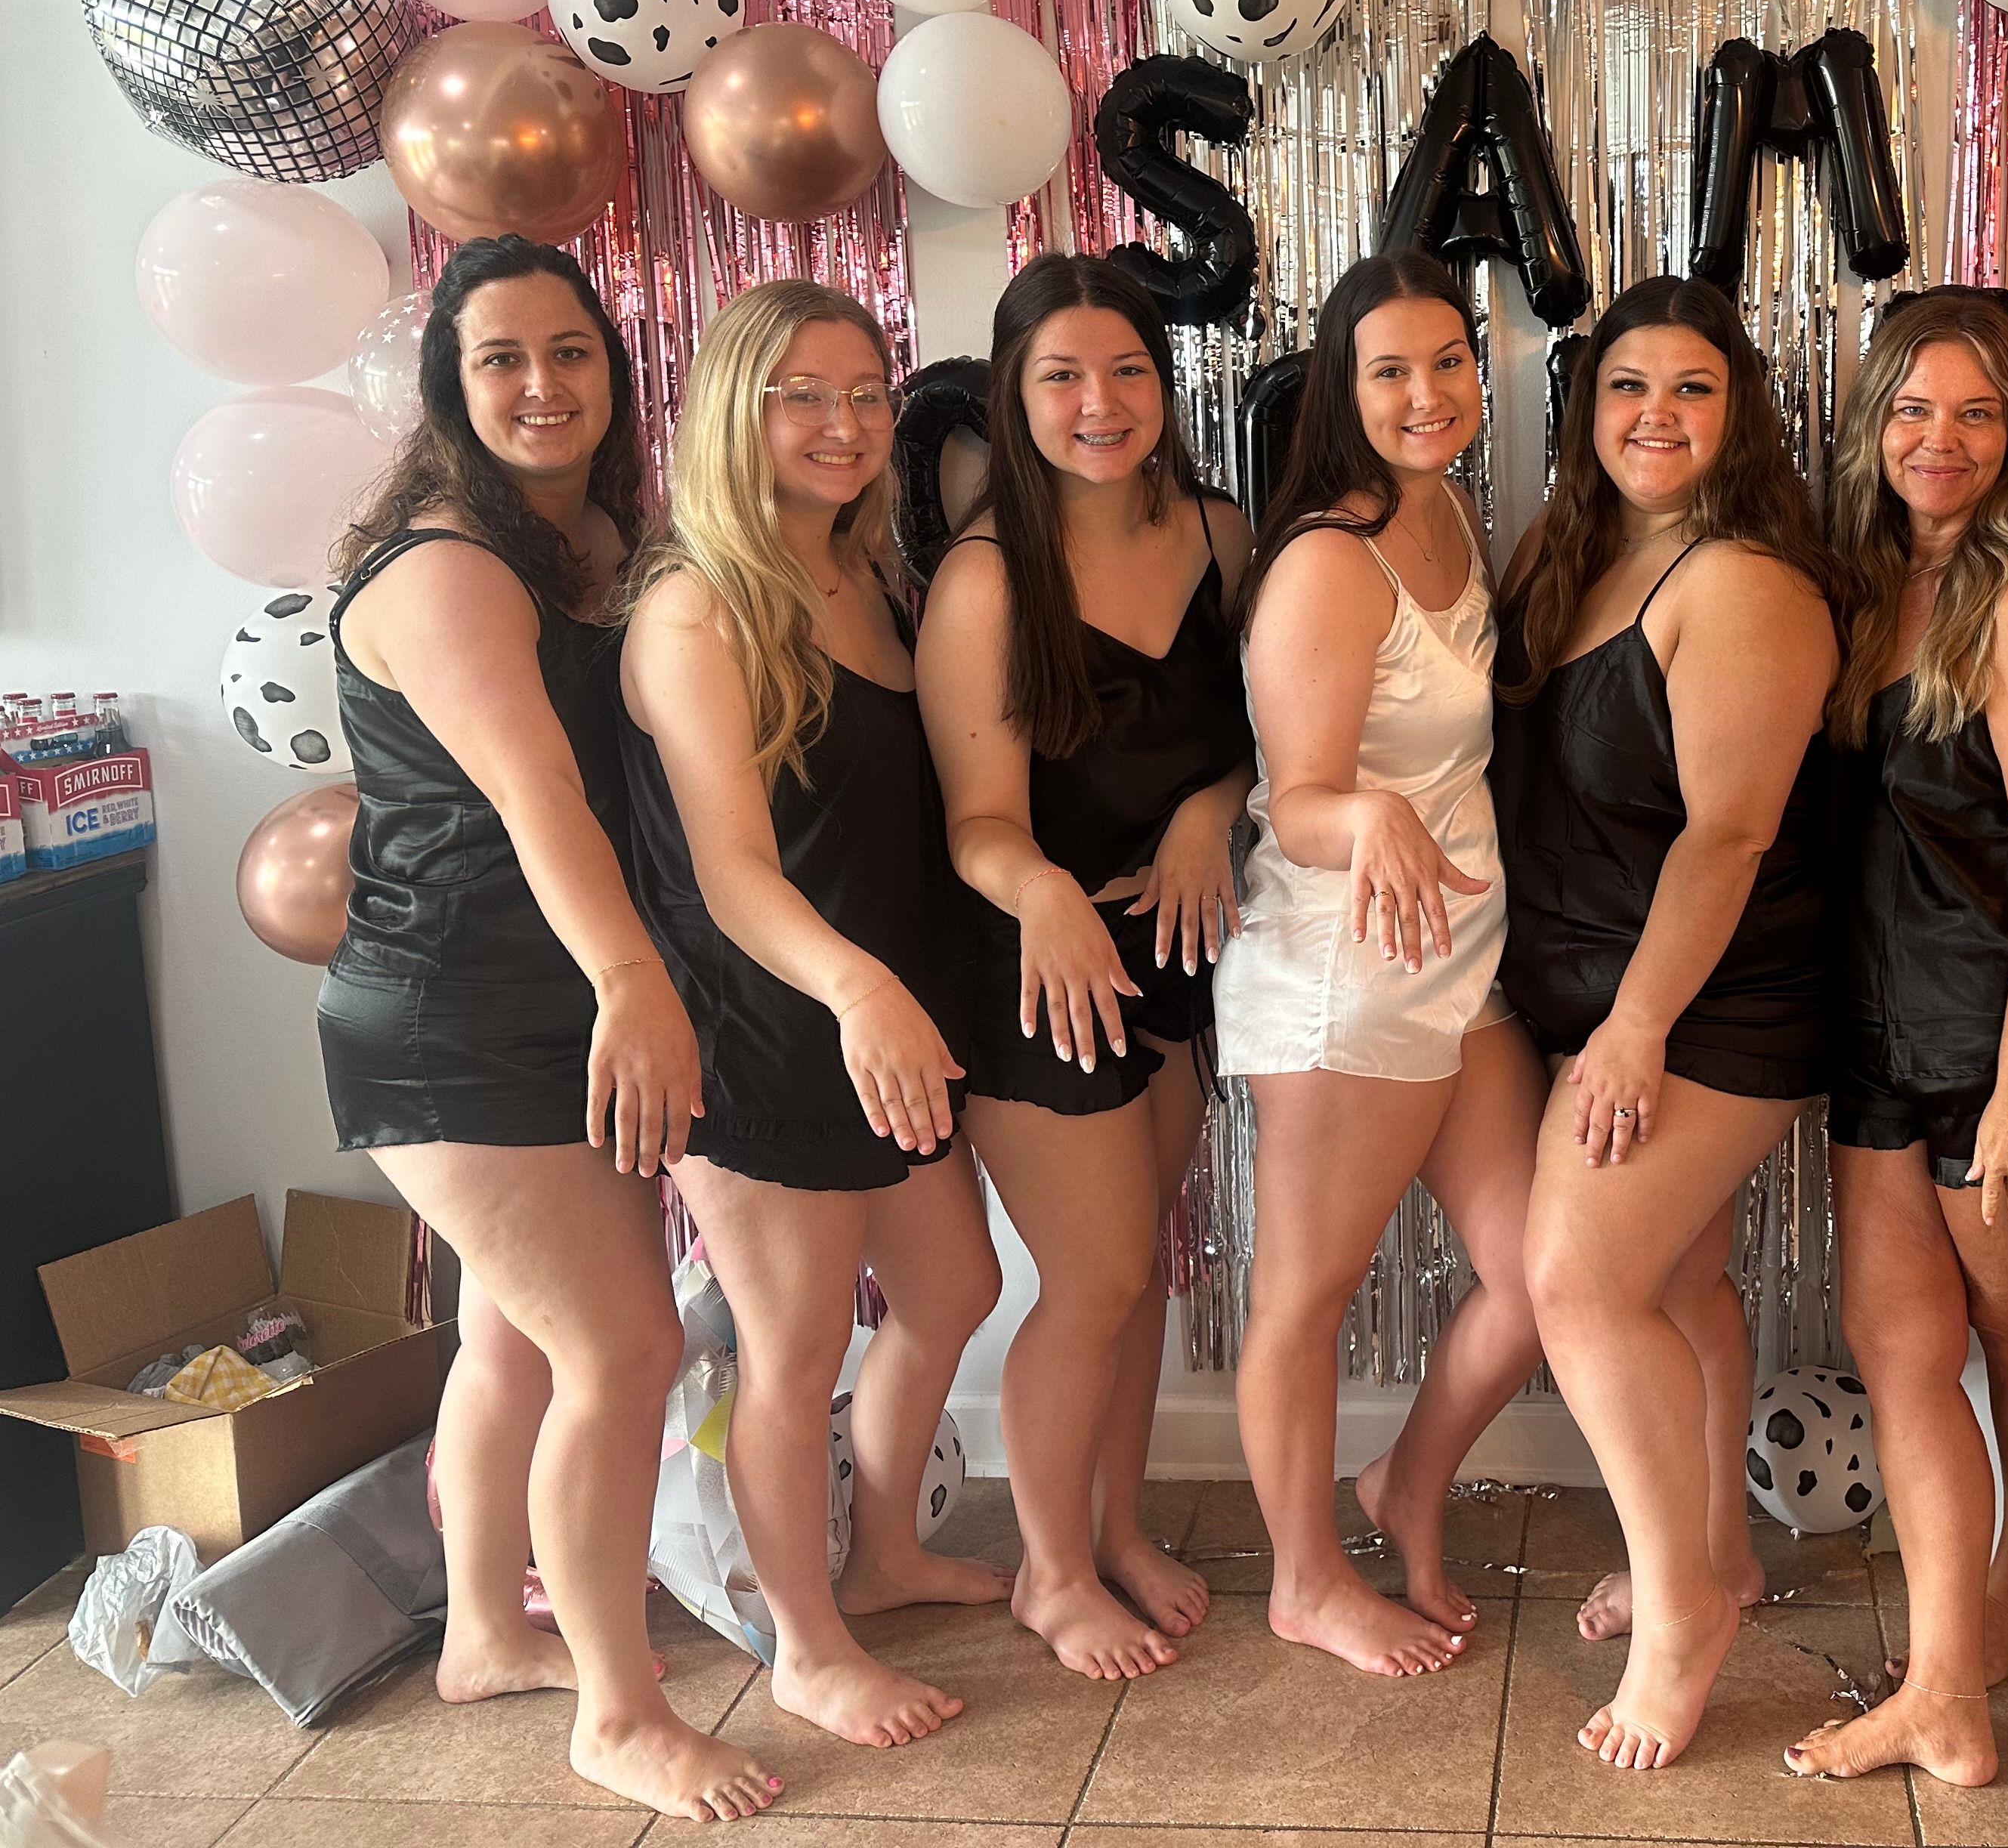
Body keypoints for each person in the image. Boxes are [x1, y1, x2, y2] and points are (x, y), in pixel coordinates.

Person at [317, 235, 780, 1822]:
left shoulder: (590, 538)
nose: (539, 384)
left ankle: (480, 1636)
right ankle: (621, 1715)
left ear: (613, 370)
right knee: (625, 1346)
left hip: (547, 994)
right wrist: (639, 986)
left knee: (516, 1331)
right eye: (500, 358)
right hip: (455, 1010)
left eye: (570, 353)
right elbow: (536, 797)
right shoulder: (452, 562)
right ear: (452, 385)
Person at [618, 281, 1007, 1750]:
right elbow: (730, 872)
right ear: (738, 407)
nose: (844, 424)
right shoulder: (695, 601)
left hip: (883, 1019)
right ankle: (806, 1646)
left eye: (865, 393)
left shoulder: (870, 573)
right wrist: (858, 990)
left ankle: (887, 1549)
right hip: (767, 1028)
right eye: (805, 395)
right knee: (790, 1352)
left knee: (953, 1289)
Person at [1781, 289, 2008, 1788]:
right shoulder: (1860, 589)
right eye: (1915, 410)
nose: (1943, 440)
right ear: (1874, 428)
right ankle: (1946, 1688)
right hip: (1876, 1040)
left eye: (1977, 412)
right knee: (1899, 1352)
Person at [1498, 274, 1839, 1769]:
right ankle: (1719, 1552)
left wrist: (1632, 1030)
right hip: (1607, 996)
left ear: (1740, 416)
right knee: (1681, 1286)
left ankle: (1685, 1612)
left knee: (1576, 1278)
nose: (1657, 416)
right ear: (1588, 409)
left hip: (1712, 1002)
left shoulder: (1743, 580)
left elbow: (1728, 838)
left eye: (1694, 389)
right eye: (1630, 387)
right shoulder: (1573, 558)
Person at [1208, 249, 1548, 1678]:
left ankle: (1405, 1481)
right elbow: (1296, 798)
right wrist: (1380, 812)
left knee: (1541, 1279)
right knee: (1304, 1295)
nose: (1428, 394)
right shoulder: (1327, 559)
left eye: (1449, 363)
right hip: (1346, 970)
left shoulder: (1455, 519)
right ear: (1345, 394)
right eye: (1391, 371)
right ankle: (1301, 1582)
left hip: (1458, 958)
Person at [916, 255, 1251, 1680]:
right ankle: (1053, 1575)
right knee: (1097, 1274)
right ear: (1016, 393)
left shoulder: (1223, 536)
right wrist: (1042, 891)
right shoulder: (987, 580)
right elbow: (975, 824)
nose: (1098, 402)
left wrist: (1207, 810)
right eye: (1061, 376)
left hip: (1169, 953)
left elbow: (1271, 735)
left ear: (1164, 388)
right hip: (1032, 964)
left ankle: (1113, 1528)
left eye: (1125, 371)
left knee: (1143, 1273)